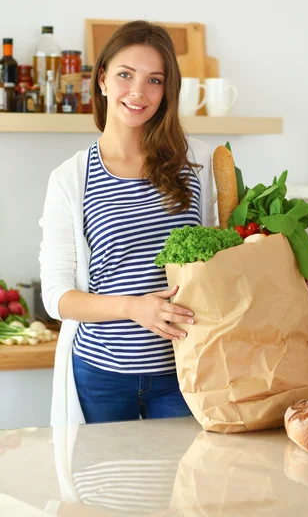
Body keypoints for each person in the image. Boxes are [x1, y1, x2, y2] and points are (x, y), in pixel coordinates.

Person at [39, 21, 216, 426]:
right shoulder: (71, 178)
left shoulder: (200, 164)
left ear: (166, 90)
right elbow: (57, 297)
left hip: (185, 370)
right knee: (103, 491)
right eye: (125, 75)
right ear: (101, 80)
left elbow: (233, 256)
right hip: (100, 377)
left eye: (154, 80)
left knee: (182, 488)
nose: (138, 92)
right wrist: (133, 308)